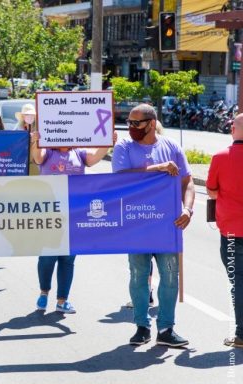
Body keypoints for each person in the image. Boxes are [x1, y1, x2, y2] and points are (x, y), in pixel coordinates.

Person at [112, 103, 195, 347]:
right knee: (139, 275)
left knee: (170, 276)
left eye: (136, 123)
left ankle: (167, 329)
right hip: (136, 224)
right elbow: (120, 177)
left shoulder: (171, 147)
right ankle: (142, 326)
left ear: (151, 123)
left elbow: (187, 182)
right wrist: (158, 168)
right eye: (128, 122)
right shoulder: (124, 147)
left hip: (167, 225)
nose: (131, 127)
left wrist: (188, 209)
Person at [31, 130, 117, 314]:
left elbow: (95, 157)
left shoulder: (79, 152)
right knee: (47, 257)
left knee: (68, 259)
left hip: (74, 214)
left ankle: (62, 300)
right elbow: (38, 158)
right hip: (50, 214)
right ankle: (44, 293)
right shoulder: (49, 152)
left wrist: (108, 141)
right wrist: (35, 141)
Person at [206, 113, 243, 348]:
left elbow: (211, 190)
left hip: (231, 231)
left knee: (238, 282)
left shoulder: (220, 157)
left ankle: (241, 333)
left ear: (233, 130)